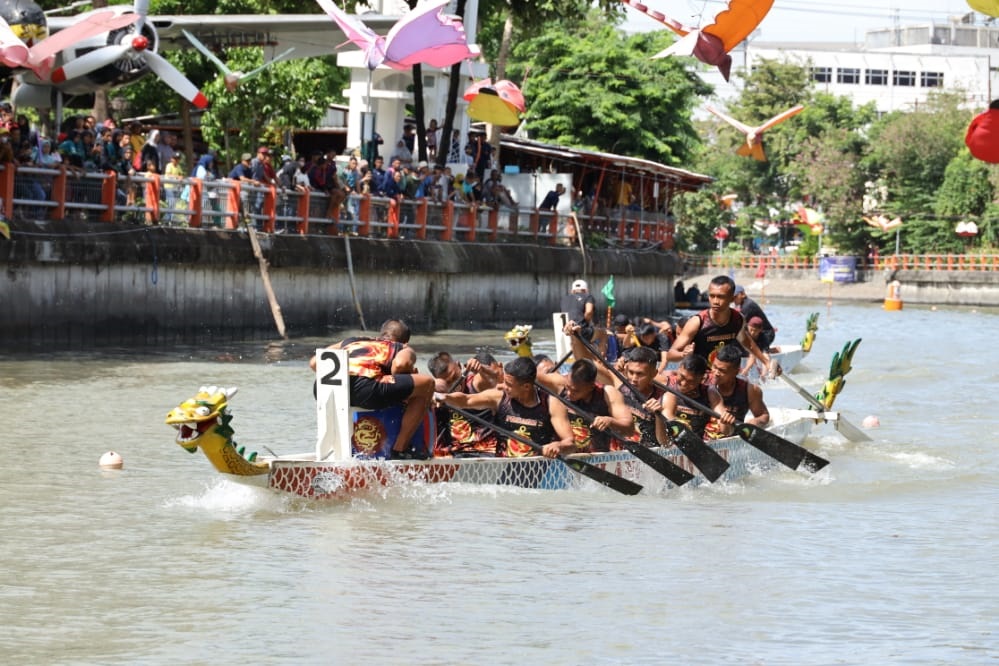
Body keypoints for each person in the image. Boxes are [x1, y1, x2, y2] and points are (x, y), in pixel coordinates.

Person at [309, 319, 435, 460]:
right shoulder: (401, 347)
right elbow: (400, 365)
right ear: (406, 341)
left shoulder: (350, 341)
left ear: (381, 334)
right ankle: (400, 449)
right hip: (366, 391)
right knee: (427, 384)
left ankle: (331, 451)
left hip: (324, 391)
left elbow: (314, 362)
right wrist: (400, 378)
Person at [439, 356, 574, 458]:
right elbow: (466, 400)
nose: (503, 386)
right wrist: (444, 397)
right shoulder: (499, 397)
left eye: (509, 384)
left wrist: (558, 446)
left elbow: (570, 443)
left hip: (538, 466)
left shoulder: (552, 403)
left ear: (526, 386)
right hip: (504, 468)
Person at [666, 274, 777, 375]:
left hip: (723, 377)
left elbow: (749, 344)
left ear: (732, 298)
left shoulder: (738, 319)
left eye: (721, 297)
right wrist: (683, 355)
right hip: (700, 378)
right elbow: (670, 355)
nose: (715, 301)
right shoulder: (697, 322)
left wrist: (767, 362)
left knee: (755, 393)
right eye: (712, 296)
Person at [538, 358, 634, 453]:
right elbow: (531, 376)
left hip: (597, 458)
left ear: (591, 386)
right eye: (568, 388)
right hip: (565, 455)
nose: (569, 394)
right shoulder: (559, 383)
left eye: (576, 391)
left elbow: (629, 430)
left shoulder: (608, 394)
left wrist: (610, 421)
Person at [428, 351, 502, 457]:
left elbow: (495, 379)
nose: (454, 384)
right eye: (448, 382)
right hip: (455, 454)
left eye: (455, 377)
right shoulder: (437, 391)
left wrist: (482, 369)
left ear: (459, 365)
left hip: (485, 452)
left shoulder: (475, 383)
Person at [656, 353, 732, 440]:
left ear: (701, 379)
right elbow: (666, 426)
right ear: (679, 369)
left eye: (690, 382)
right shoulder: (669, 390)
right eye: (682, 376)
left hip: (697, 443)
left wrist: (726, 422)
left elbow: (726, 431)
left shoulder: (710, 393)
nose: (684, 384)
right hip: (671, 441)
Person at [706, 343, 769, 438]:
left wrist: (756, 421)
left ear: (737, 371)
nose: (716, 373)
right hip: (704, 437)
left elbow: (763, 415)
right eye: (714, 367)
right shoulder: (702, 381)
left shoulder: (750, 390)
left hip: (731, 436)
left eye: (722, 371)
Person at [733, 285, 776, 349]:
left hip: (765, 335)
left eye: (735, 297)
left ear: (743, 294)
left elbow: (740, 326)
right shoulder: (743, 304)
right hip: (756, 334)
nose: (733, 300)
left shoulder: (748, 306)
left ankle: (771, 350)